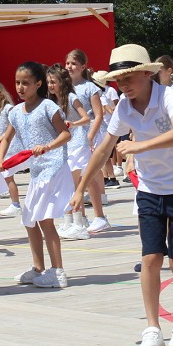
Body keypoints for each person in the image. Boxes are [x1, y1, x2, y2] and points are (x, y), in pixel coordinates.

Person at [72, 44, 173, 346]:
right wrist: (80, 189)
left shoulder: (168, 95)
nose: (124, 84)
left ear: (147, 73)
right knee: (150, 259)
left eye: (129, 76)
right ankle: (153, 329)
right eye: (118, 80)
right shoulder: (124, 108)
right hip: (150, 190)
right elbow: (104, 148)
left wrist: (140, 147)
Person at [0, 61, 73, 288]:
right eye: (17, 82)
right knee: (29, 219)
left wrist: (47, 146)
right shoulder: (16, 112)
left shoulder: (48, 107)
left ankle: (58, 271)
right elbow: (6, 137)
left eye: (26, 83)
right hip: (38, 172)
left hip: (54, 168)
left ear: (38, 84)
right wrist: (0, 159)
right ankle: (39, 268)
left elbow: (65, 135)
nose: (20, 87)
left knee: (44, 220)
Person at [67, 49, 110, 233]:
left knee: (88, 174)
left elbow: (98, 114)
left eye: (74, 63)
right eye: (67, 63)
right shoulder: (66, 88)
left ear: (83, 66)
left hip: (88, 133)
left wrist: (91, 135)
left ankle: (100, 216)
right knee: (73, 175)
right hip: (73, 135)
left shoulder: (90, 87)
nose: (69, 66)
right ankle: (80, 218)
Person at [48, 64, 93, 239]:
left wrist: (73, 124)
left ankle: (80, 223)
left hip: (77, 143)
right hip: (64, 146)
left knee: (74, 185)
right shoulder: (51, 101)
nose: (50, 85)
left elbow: (87, 117)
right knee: (64, 184)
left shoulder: (71, 97)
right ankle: (68, 221)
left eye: (53, 82)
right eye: (48, 82)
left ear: (62, 82)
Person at [0, 81, 24, 217]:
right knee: (4, 175)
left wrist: (2, 137)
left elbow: (13, 128)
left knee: (8, 175)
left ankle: (16, 205)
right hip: (1, 146)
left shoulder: (8, 109)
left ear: (1, 95)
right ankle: (11, 203)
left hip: (11, 146)